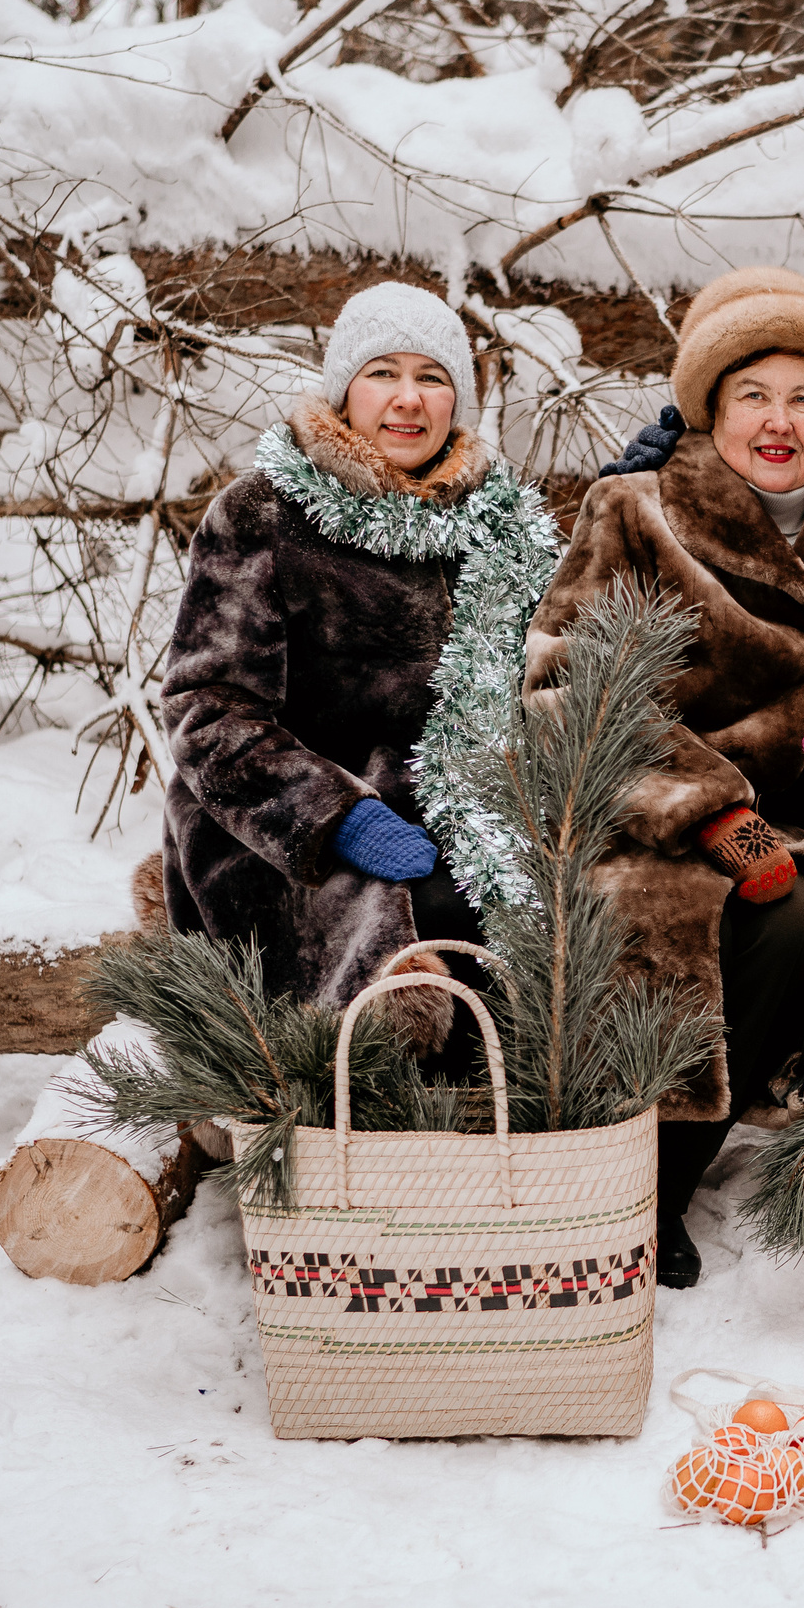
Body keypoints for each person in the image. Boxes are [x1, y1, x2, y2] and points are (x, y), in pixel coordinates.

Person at [525, 267, 804, 1289]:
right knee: (697, 912)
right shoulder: (636, 510)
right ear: (710, 405)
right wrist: (710, 815)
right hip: (636, 810)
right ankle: (618, 1184)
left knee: (800, 907)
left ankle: (662, 1188)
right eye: (752, 393)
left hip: (783, 831)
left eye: (803, 397)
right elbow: (560, 688)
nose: (778, 420)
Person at [161, 280, 559, 1044]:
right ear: (345, 392)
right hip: (289, 831)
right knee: (430, 919)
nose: (408, 400)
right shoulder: (263, 515)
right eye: (384, 373)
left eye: (432, 378)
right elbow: (205, 708)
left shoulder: (504, 530)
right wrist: (334, 817)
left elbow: (557, 670)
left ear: (458, 401)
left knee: (577, 925)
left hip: (470, 811)